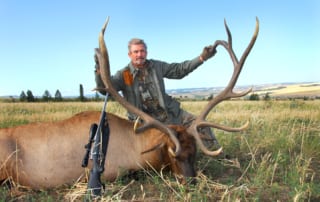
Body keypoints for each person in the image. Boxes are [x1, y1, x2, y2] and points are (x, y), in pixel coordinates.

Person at [94, 38, 220, 148]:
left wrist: (202, 58)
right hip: (147, 125)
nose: (139, 54)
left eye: (142, 51)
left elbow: (179, 70)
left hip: (171, 115)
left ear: (146, 52)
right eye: (136, 52)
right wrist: (99, 71)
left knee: (201, 125)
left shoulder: (156, 66)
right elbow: (105, 90)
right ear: (129, 54)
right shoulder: (124, 74)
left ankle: (217, 156)